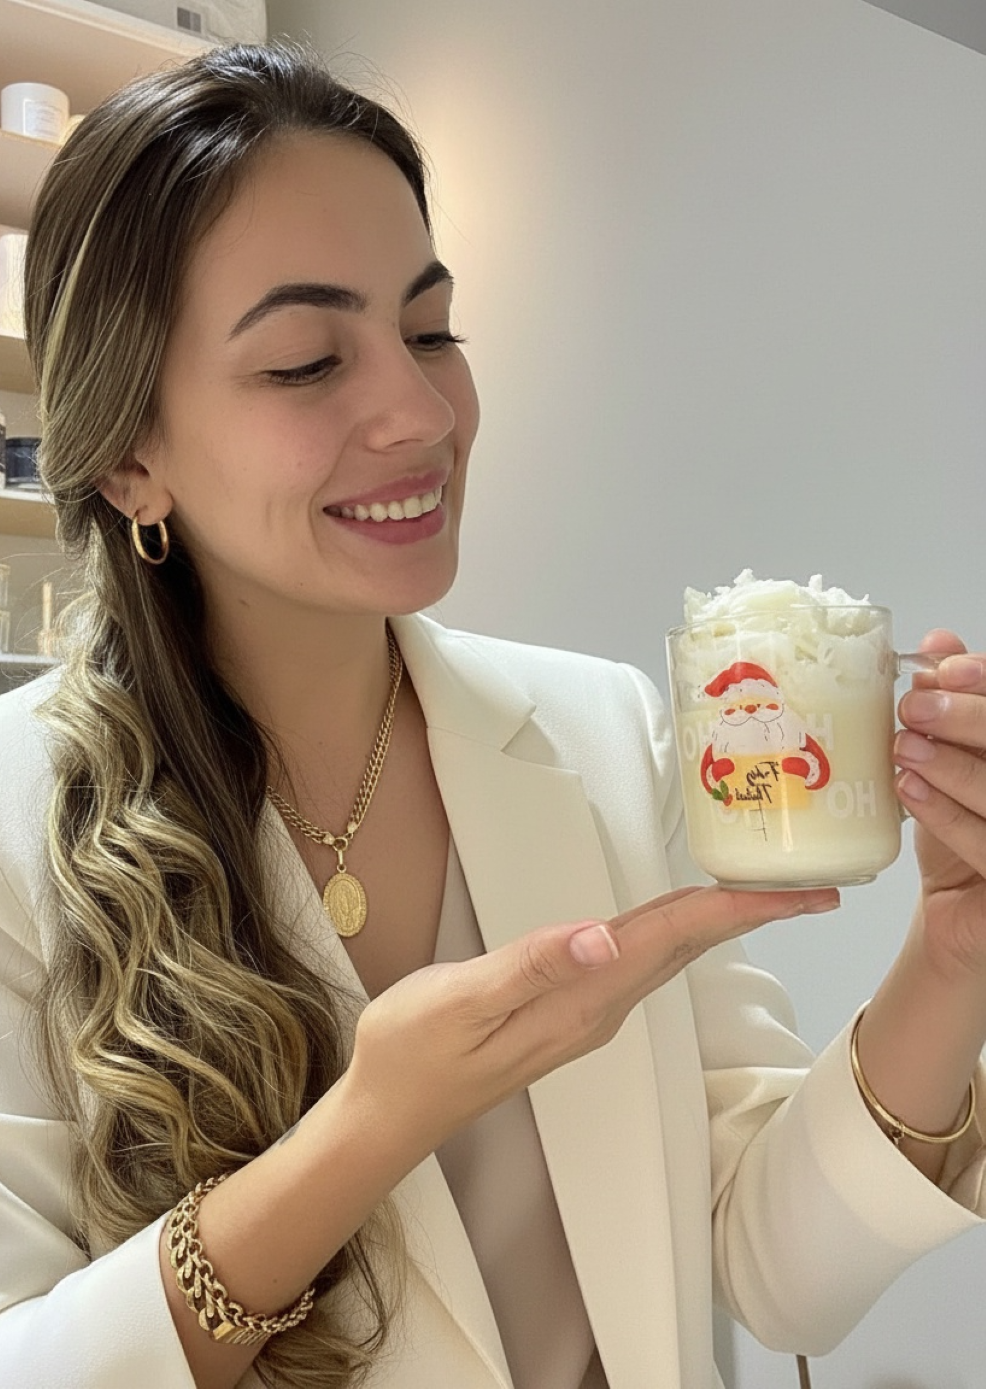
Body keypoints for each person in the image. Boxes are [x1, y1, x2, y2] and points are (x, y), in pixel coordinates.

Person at [0, 40, 983, 1389]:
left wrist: (951, 956)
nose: (419, 412)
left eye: (429, 330)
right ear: (128, 458)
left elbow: (776, 1275)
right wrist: (370, 1127)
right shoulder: (18, 826)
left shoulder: (602, 733)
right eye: (306, 361)